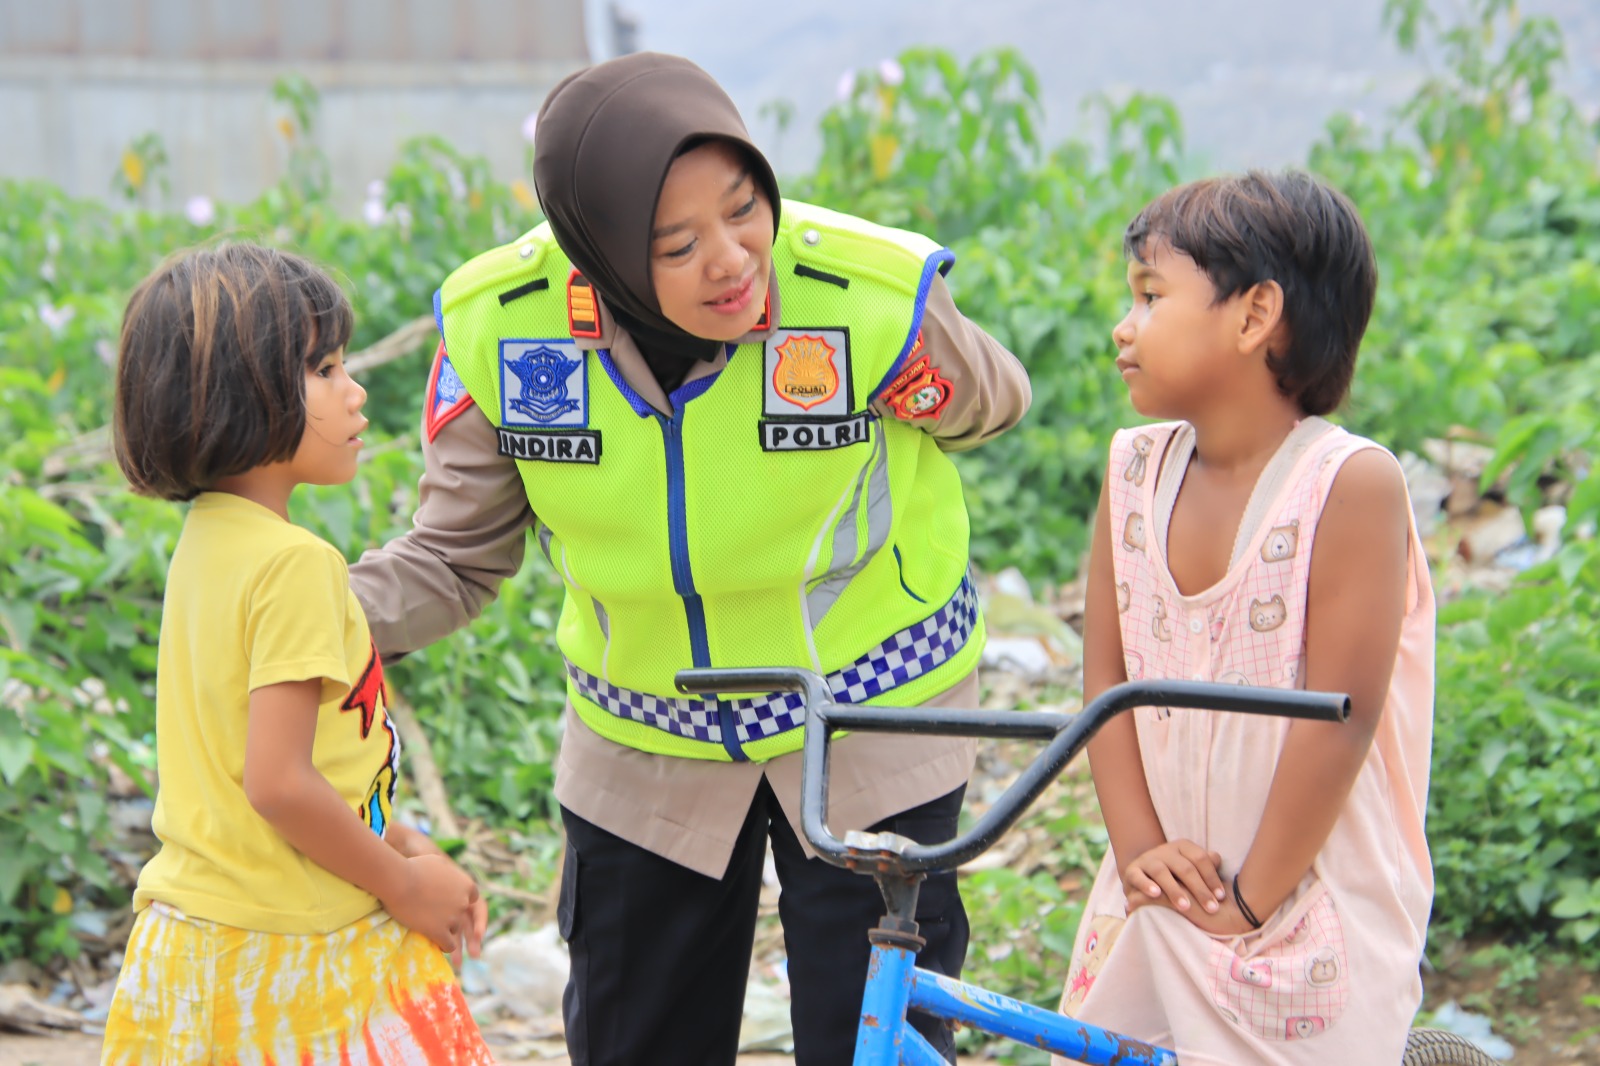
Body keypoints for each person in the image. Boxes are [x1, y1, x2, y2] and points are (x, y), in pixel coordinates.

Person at [349, 52, 1030, 1065]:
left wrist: (915, 360)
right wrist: (290, 615)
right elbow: (454, 557)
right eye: (676, 242)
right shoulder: (503, 329)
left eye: (745, 207)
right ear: (605, 252)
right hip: (646, 732)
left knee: (871, 1037)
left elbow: (995, 403)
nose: (731, 259)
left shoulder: (861, 293)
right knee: (638, 1037)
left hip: (866, 716)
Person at [1054, 170, 1435, 1065]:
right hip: (1158, 887)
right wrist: (1140, 851)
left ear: (1255, 315)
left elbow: (1340, 721)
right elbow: (1106, 684)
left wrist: (1252, 901)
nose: (1124, 325)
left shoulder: (1347, 485)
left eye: (1151, 296)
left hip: (1298, 901)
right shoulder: (1132, 473)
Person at [101, 244, 493, 1065]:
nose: (355, 393)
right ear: (239, 395)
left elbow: (292, 766)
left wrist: (404, 835)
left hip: (195, 943)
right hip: (303, 948)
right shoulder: (295, 564)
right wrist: (404, 884)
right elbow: (278, 782)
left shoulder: (207, 545)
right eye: (324, 369)